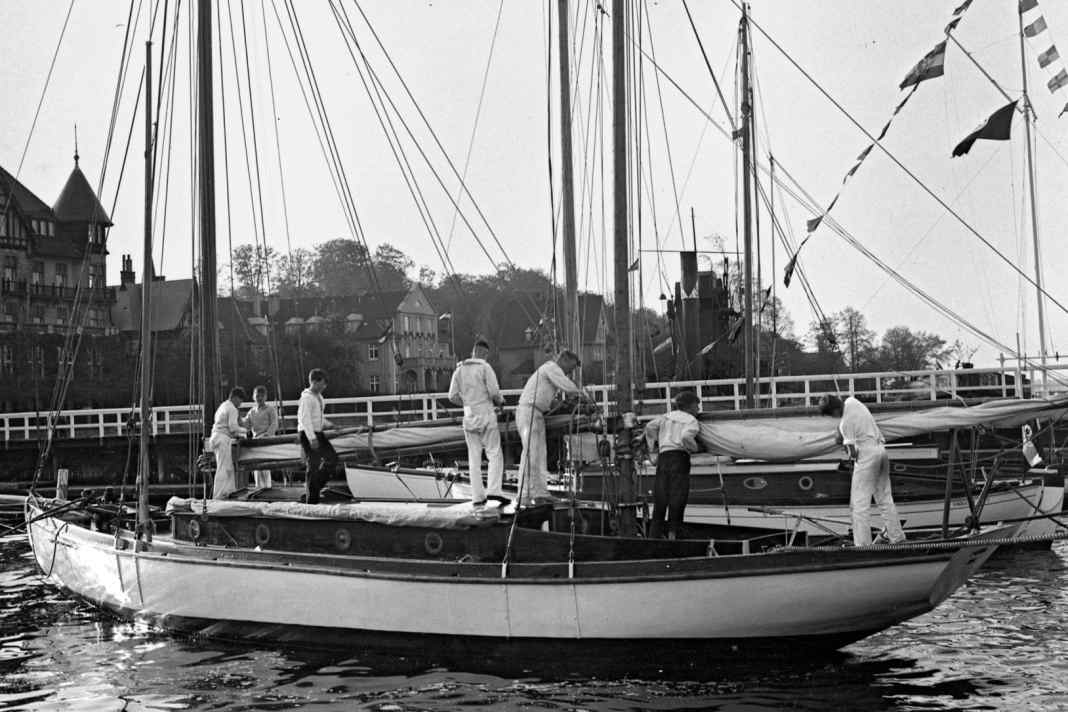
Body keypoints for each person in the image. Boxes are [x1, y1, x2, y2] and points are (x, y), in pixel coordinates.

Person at [819, 394, 906, 547]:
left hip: (867, 458)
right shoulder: (852, 401)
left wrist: (845, 446)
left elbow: (853, 453)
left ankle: (863, 546)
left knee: (859, 506)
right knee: (885, 499)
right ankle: (897, 537)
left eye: (830, 415)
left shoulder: (845, 424)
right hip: (881, 451)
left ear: (833, 411)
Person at [515, 350, 588, 505]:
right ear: (564, 360)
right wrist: (582, 395)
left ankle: (540, 492)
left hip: (537, 413)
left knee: (540, 455)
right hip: (529, 412)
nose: (570, 372)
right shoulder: (551, 368)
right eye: (571, 367)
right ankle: (524, 494)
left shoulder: (548, 371)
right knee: (531, 453)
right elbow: (566, 386)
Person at [448, 339, 504, 505]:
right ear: (484, 353)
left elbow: (452, 396)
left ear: (473, 351)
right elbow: (494, 392)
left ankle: (478, 497)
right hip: (486, 415)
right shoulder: (485, 368)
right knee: (494, 453)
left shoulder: (459, 370)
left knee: (474, 458)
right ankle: (494, 491)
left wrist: (467, 403)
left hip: (469, 417)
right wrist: (501, 403)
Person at [644, 390, 701, 539]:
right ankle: (673, 536)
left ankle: (653, 536)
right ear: (689, 407)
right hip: (679, 458)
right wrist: (695, 448)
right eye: (697, 406)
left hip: (663, 458)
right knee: (677, 498)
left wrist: (653, 446)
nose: (698, 410)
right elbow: (686, 436)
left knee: (661, 498)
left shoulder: (665, 417)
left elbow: (650, 426)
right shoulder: (690, 420)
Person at [297, 369, 337, 505]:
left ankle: (313, 488)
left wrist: (330, 425)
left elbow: (318, 417)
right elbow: (305, 419)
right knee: (313, 464)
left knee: (332, 458)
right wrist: (311, 438)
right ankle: (311, 499)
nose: (324, 387)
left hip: (318, 432)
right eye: (323, 384)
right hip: (308, 433)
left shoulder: (319, 397)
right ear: (315, 381)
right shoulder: (306, 398)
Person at [209, 387, 248, 499]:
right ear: (235, 398)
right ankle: (219, 496)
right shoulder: (232, 408)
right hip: (222, 438)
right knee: (224, 468)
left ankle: (229, 492)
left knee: (228, 467)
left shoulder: (223, 406)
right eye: (240, 401)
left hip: (216, 437)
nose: (240, 404)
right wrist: (245, 431)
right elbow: (233, 427)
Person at [243, 385, 279, 489]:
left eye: (261, 396)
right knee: (256, 467)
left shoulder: (270, 409)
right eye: (257, 396)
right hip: (256, 442)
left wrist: (267, 436)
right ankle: (258, 488)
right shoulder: (252, 412)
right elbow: (246, 425)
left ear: (265, 397)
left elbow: (274, 424)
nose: (259, 398)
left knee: (265, 466)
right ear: (254, 397)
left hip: (266, 441)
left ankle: (267, 488)